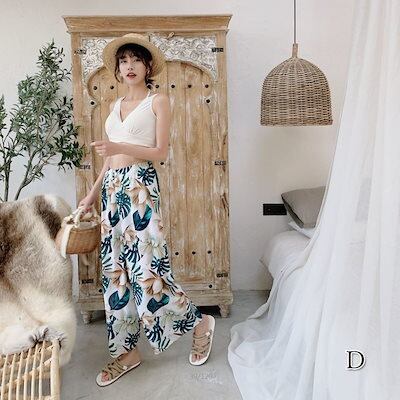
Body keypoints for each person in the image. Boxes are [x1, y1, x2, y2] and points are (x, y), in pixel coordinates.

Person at [78, 33, 216, 387]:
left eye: (135, 60)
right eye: (123, 61)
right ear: (117, 69)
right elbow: (109, 159)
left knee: (147, 270)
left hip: (140, 186)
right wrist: (92, 194)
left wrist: (118, 147)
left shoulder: (159, 101)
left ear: (148, 66)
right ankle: (126, 352)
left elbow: (159, 152)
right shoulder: (113, 107)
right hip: (112, 190)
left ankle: (199, 322)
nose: (129, 66)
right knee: (116, 273)